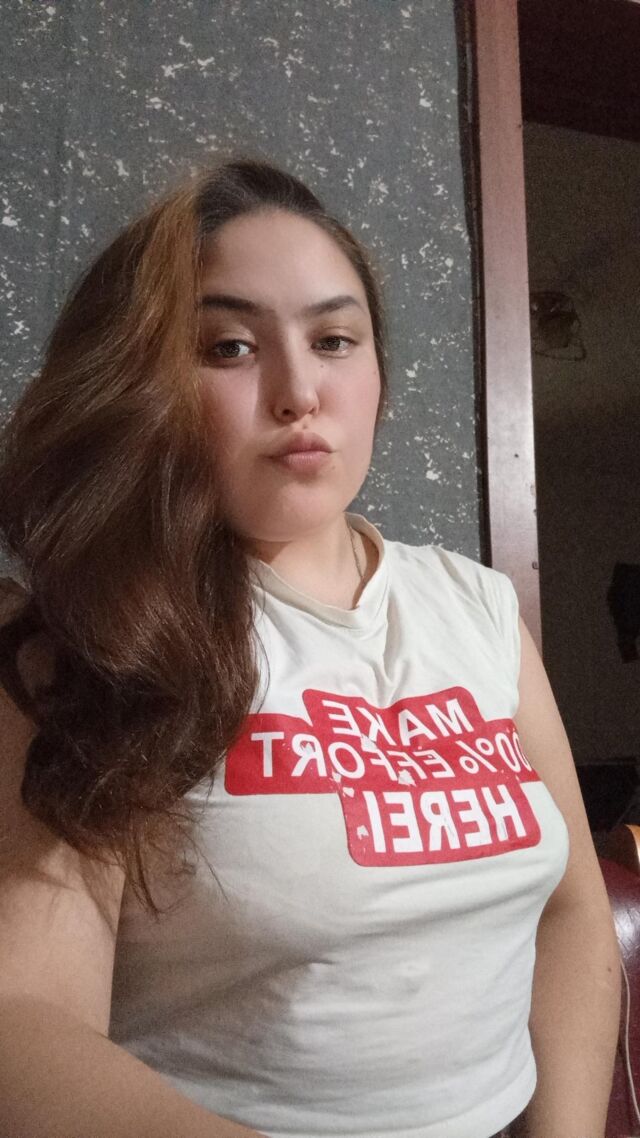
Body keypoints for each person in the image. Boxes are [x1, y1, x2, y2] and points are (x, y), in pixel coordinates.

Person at [0, 157, 621, 1138]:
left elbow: (573, 912)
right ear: (143, 381)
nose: (299, 392)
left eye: (334, 339)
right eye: (229, 346)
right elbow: (25, 1022)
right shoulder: (93, 638)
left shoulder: (477, 608)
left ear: (377, 376)